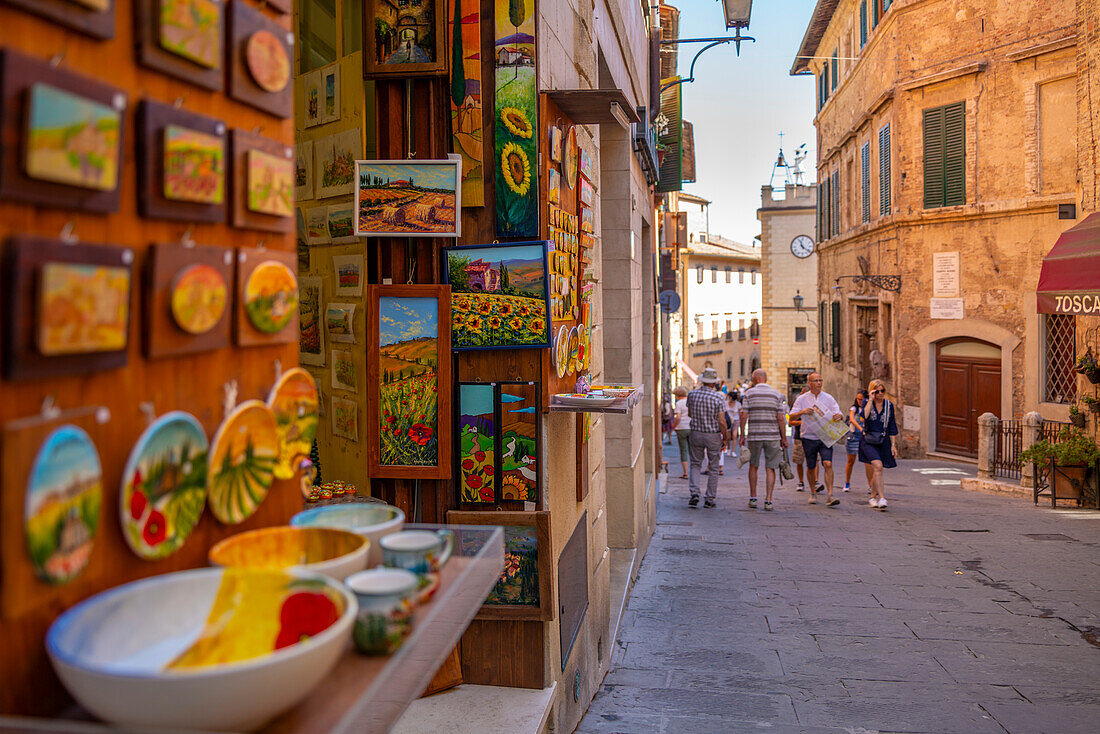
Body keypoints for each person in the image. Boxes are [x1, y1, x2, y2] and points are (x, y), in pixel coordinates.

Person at [789, 372, 845, 507]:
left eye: (820, 380)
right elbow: (791, 417)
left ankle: (830, 495)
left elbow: (838, 411)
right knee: (811, 466)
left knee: (828, 464)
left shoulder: (828, 398)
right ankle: (813, 492)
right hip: (809, 437)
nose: (819, 383)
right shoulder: (802, 399)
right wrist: (802, 412)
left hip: (825, 436)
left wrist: (839, 416)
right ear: (809, 383)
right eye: (816, 381)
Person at [738, 369, 788, 511]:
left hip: (754, 435)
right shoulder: (776, 395)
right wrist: (783, 438)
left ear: (755, 379)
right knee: (770, 467)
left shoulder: (749, 394)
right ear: (765, 379)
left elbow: (744, 415)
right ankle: (768, 500)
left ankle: (753, 498)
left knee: (753, 465)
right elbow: (780, 418)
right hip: (772, 436)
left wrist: (742, 435)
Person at [686, 368, 730, 508]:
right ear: (714, 383)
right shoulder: (718, 397)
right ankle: (709, 498)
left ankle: (694, 493)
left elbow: (690, 414)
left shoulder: (692, 395)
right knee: (714, 466)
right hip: (713, 435)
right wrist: (725, 437)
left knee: (695, 464)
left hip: (696, 433)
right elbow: (722, 421)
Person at [860, 379, 899, 510]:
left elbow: (892, 426)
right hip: (868, 440)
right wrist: (870, 399)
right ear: (872, 391)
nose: (880, 394)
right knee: (878, 465)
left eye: (883, 391)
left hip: (883, 440)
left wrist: (893, 445)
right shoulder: (866, 403)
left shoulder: (889, 405)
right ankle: (882, 497)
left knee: (878, 469)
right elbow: (864, 416)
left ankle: (872, 497)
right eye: (877, 391)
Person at [844, 390, 871, 493]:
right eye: (858, 399)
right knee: (851, 461)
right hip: (854, 437)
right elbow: (852, 419)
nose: (859, 401)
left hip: (865, 437)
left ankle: (871, 485)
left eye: (862, 399)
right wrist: (860, 428)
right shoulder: (854, 409)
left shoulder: (868, 409)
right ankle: (847, 482)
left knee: (868, 462)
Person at [787, 386, 810, 492]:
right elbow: (790, 422)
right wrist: (802, 421)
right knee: (799, 461)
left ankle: (816, 481)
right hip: (799, 436)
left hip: (813, 436)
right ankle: (801, 481)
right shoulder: (797, 406)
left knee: (814, 461)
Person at [671, 386, 691, 479]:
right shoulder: (691, 401)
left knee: (683, 450)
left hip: (681, 428)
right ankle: (695, 470)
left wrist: (674, 426)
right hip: (691, 427)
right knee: (693, 450)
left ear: (678, 395)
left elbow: (678, 417)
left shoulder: (679, 403)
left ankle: (686, 472)